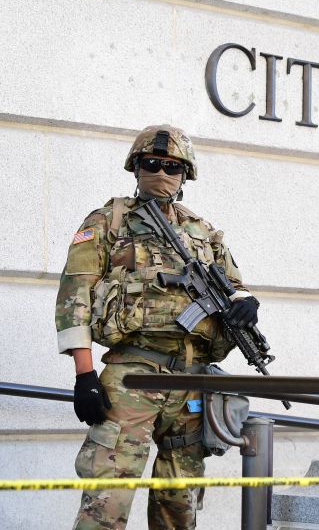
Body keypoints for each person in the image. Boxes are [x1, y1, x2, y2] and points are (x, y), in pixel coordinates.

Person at [56, 125, 260, 530]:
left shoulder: (202, 231)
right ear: (136, 167)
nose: (162, 173)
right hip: (133, 375)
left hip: (192, 379)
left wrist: (246, 305)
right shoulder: (107, 221)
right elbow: (74, 297)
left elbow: (235, 287)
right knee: (106, 500)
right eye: (153, 164)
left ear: (186, 175)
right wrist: (84, 376)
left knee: (178, 502)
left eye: (172, 167)